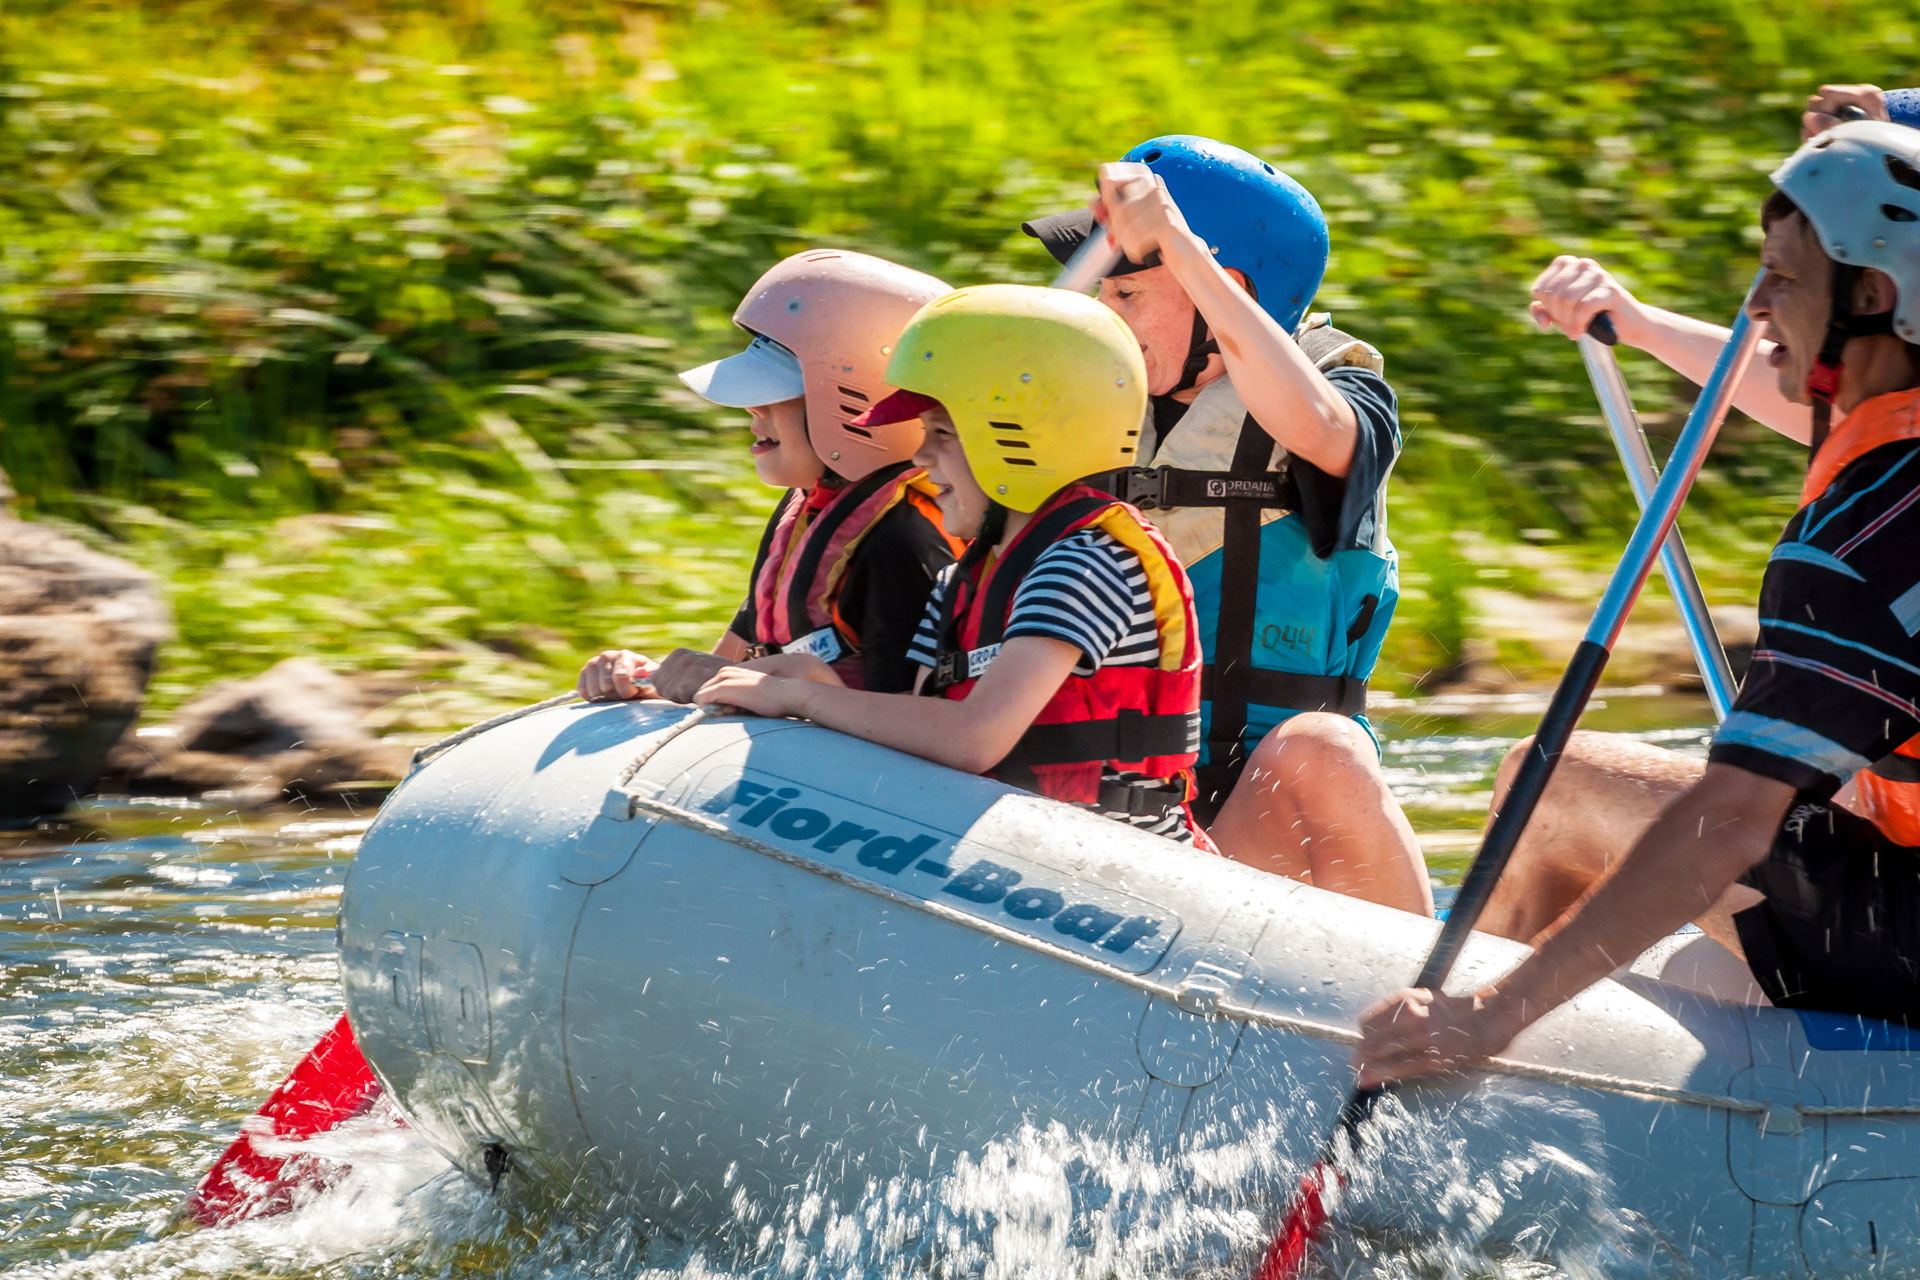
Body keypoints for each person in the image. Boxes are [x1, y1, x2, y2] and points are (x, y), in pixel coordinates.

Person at [1356, 120, 1920, 1088]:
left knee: (1555, 784)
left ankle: (1446, 1065)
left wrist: (1491, 1014)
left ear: (1873, 298)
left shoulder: (1859, 542)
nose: (1755, 308)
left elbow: (1736, 820)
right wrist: (1647, 325)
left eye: (1781, 280)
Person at [1020, 137, 1430, 912]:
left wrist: (1175, 241)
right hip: (1100, 802)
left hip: (1256, 813)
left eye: (1130, 294)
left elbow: (1323, 430)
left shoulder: (1346, 396)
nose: (1103, 314)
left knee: (1319, 751)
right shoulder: (1087, 408)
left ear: (1223, 292)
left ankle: (1433, 1015)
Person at [693, 284, 1214, 843]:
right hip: (1018, 847)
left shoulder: (1086, 563)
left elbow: (974, 738)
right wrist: (816, 681)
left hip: (1116, 866)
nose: (919, 458)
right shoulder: (967, 575)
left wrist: (807, 699)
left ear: (1018, 442)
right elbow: (921, 725)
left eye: (940, 435)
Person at [578, 250, 959, 701]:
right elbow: (730, 665)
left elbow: (903, 720)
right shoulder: (809, 508)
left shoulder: (902, 540)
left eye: (776, 391)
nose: (752, 408)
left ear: (855, 401)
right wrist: (647, 677)